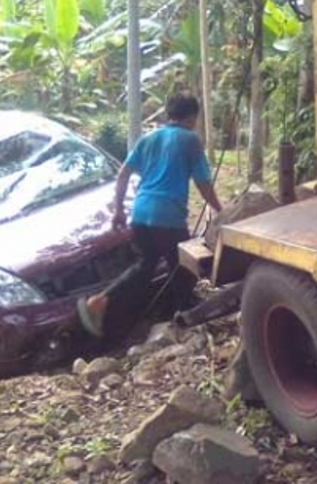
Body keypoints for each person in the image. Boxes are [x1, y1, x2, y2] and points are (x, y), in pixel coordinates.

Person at [77, 92, 222, 338]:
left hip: (141, 214)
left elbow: (123, 174)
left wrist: (120, 211)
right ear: (192, 118)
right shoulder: (190, 140)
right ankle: (184, 322)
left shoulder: (148, 139)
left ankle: (101, 301)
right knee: (184, 267)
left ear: (168, 114)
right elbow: (203, 182)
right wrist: (220, 209)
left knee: (147, 265)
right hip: (168, 216)